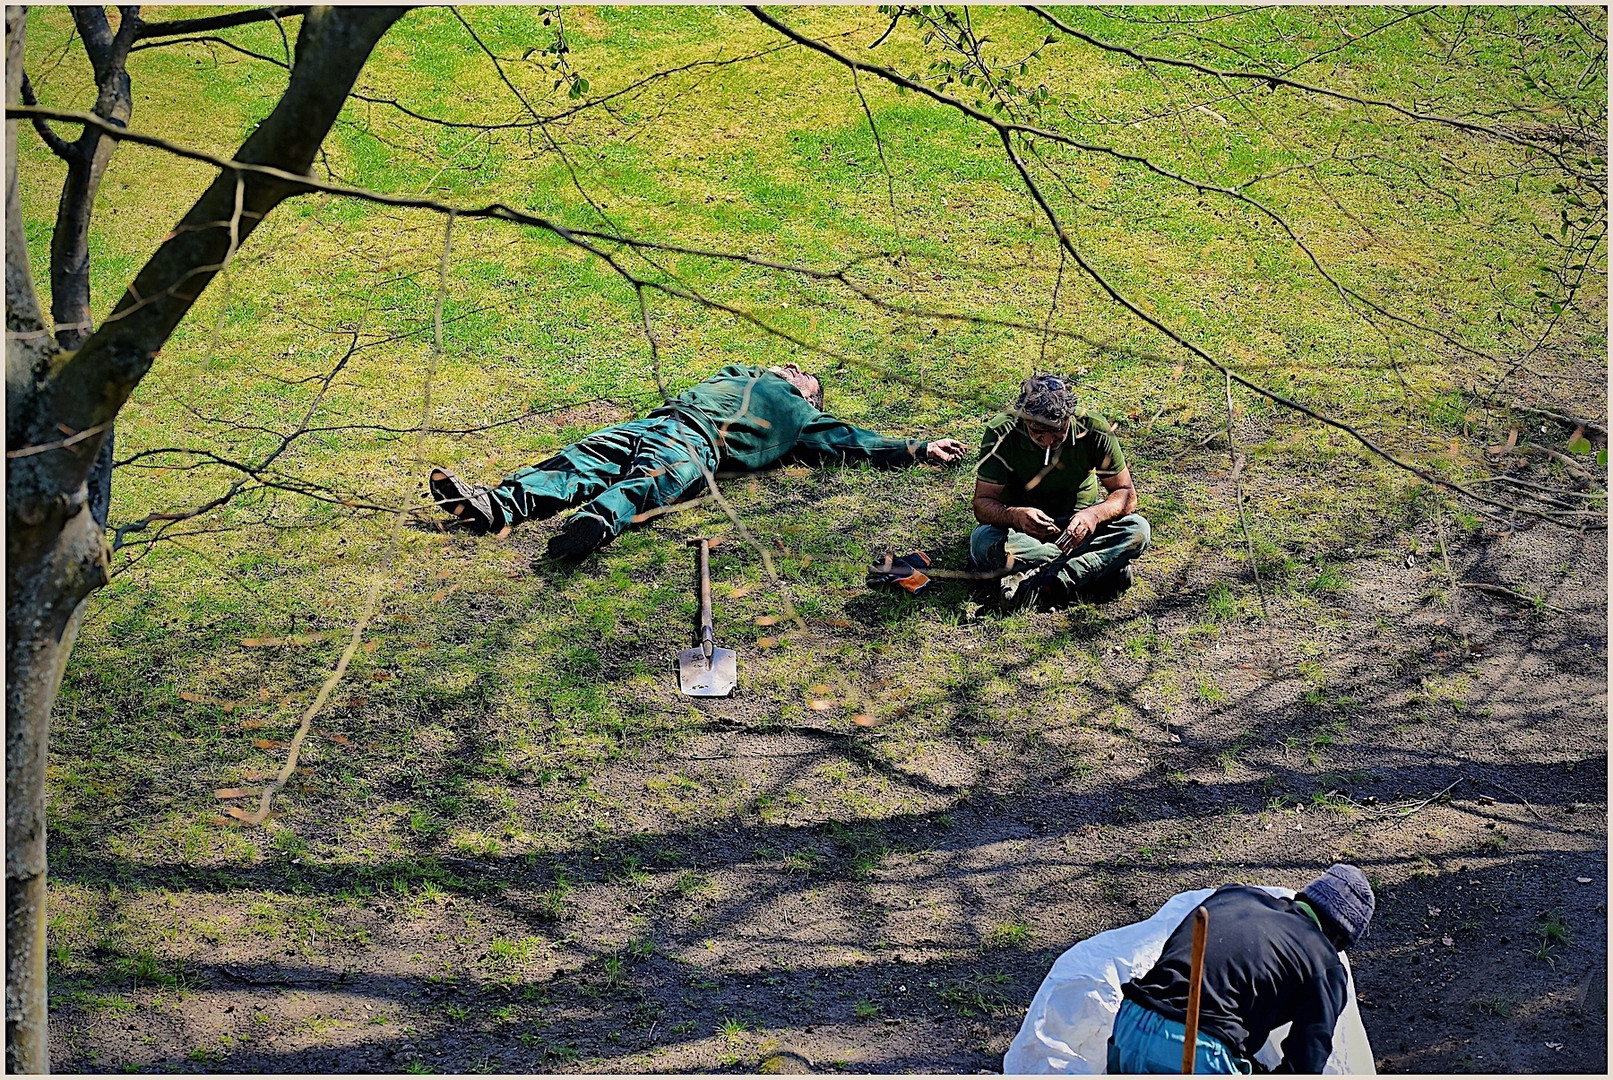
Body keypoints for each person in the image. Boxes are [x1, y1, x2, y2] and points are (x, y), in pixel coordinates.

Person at [429, 362, 967, 561]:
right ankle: (492, 506)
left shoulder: (799, 415)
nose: (793, 369)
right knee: (577, 460)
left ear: (810, 395)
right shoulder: (737, 372)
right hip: (654, 421)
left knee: (652, 482)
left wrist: (917, 450)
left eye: (804, 375)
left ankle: (595, 522)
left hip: (696, 443)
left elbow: (852, 440)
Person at [1107, 864, 1376, 1075]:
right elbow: (1304, 1065)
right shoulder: (1324, 960)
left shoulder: (1235, 894)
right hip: (1197, 1047)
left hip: (1131, 1022)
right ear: (1339, 940)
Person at [968, 374, 1150, 603]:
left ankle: (1049, 580)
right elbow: (983, 504)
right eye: (1038, 434)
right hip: (1022, 534)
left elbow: (1126, 494)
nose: (1048, 442)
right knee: (983, 541)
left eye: (1057, 433)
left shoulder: (1093, 428)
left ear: (1069, 417)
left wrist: (1092, 515)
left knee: (1137, 529)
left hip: (1079, 530)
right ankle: (1094, 572)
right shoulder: (1001, 432)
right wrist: (1015, 516)